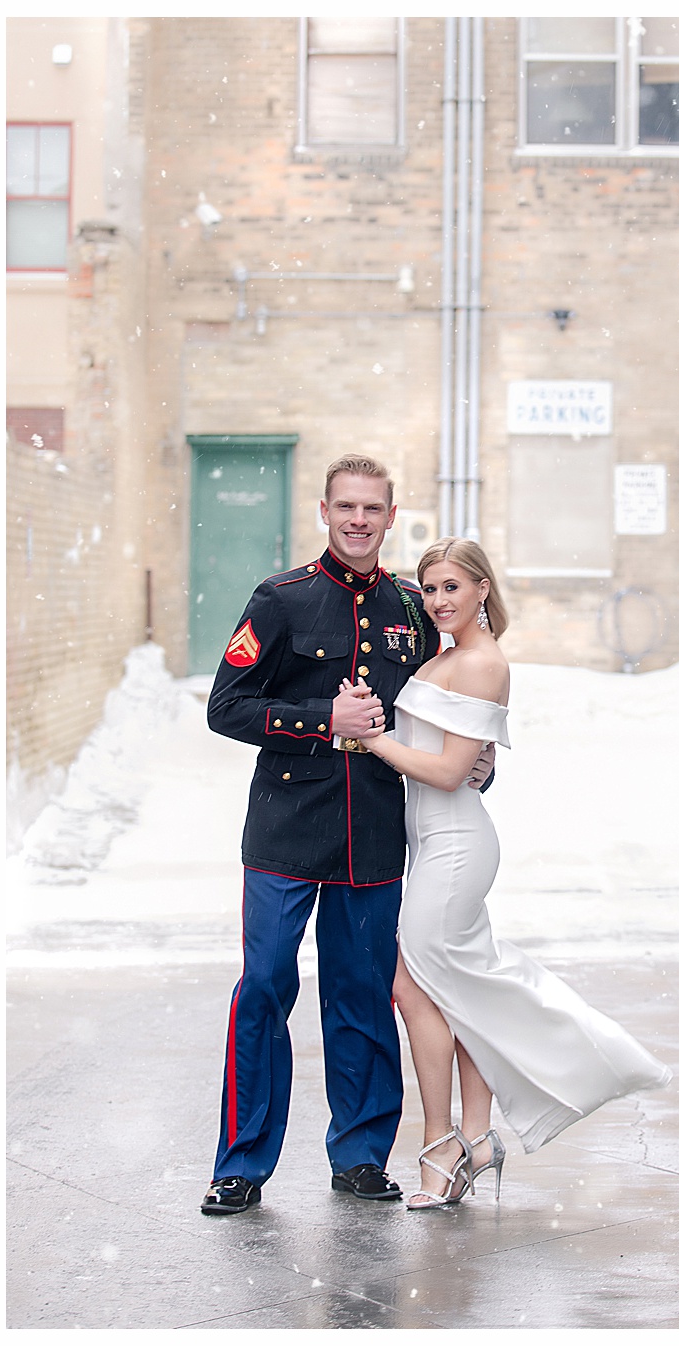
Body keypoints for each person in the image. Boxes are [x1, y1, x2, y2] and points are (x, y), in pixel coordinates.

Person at [200, 454, 490, 1215]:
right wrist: (319, 722)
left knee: (362, 995)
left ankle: (361, 1154)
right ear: (324, 512)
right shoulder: (281, 599)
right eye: (346, 508)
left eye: (373, 509)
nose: (359, 521)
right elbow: (225, 707)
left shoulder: (411, 606)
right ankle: (241, 1163)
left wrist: (474, 761)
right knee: (264, 989)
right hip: (285, 831)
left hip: (374, 834)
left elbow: (445, 710)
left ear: (391, 517)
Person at [356, 537, 671, 1209]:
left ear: (481, 590)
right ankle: (471, 1137)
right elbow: (459, 758)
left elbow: (446, 772)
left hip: (455, 847)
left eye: (452, 587)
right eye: (431, 588)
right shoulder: (449, 657)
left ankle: (445, 1142)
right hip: (436, 846)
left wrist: (371, 738)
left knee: (416, 992)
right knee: (457, 991)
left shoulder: (482, 664)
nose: (439, 600)